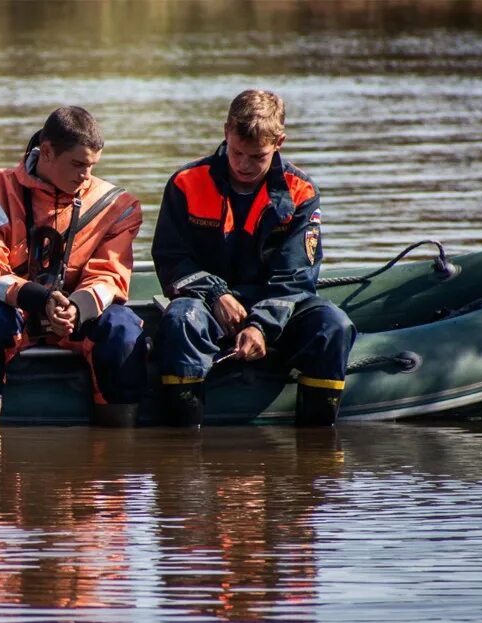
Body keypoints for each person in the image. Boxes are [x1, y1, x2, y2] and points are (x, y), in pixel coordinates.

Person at [152, 89, 356, 427]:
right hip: (207, 304)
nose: (244, 165)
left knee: (333, 326)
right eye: (236, 152)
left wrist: (260, 326)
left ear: (279, 142)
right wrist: (217, 294)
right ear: (225, 132)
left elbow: (294, 278)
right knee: (179, 320)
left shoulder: (300, 191)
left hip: (278, 305)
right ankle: (183, 450)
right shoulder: (186, 183)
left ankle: (316, 457)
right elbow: (171, 259)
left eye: (257, 157)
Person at [0, 106, 146, 427]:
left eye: (92, 166)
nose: (86, 175)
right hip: (15, 311)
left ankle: (116, 455)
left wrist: (77, 308)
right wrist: (39, 299)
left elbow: (110, 275)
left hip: (78, 314)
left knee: (123, 330)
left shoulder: (117, 206)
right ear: (48, 152)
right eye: (78, 164)